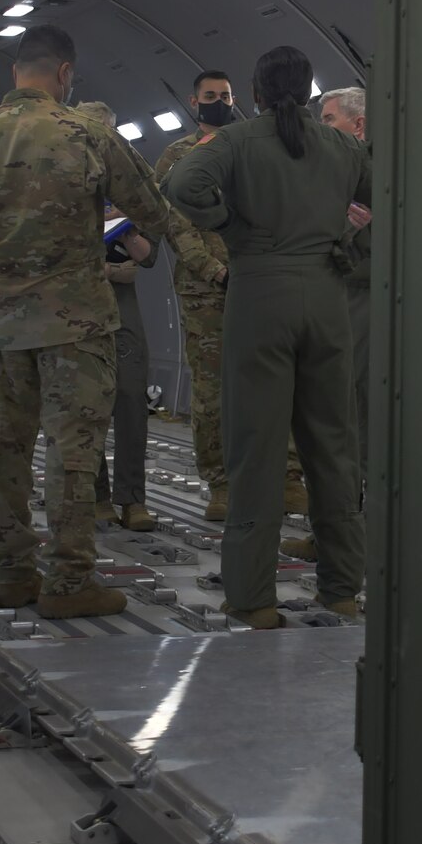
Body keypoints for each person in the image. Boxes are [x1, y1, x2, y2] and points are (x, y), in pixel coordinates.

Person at [0, 25, 173, 618]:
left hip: (2, 324)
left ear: (15, 73)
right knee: (73, 451)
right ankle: (70, 580)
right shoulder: (87, 133)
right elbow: (151, 209)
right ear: (65, 75)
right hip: (76, 323)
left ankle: (13, 574)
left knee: (5, 448)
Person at [166, 45, 370, 629]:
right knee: (333, 447)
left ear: (253, 93)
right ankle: (339, 590)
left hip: (259, 299)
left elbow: (183, 188)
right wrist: (343, 239)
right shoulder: (343, 146)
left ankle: (254, 597)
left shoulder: (234, 142)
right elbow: (384, 193)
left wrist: (232, 227)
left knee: (256, 447)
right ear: (310, 93)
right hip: (328, 302)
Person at [152, 69, 308, 523]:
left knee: (279, 379)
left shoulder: (251, 146)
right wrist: (213, 270)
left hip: (259, 279)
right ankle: (221, 483)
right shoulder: (177, 155)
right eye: (210, 95)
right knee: (212, 390)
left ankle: (288, 477)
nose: (219, 101)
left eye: (225, 95)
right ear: (193, 100)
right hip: (205, 291)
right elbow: (172, 220)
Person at [283, 85, 373, 563]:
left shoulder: (372, 173)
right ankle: (332, 533)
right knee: (332, 424)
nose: (321, 127)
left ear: (358, 126)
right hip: (333, 303)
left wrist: (350, 228)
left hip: (364, 304)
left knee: (358, 424)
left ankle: (357, 540)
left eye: (330, 118)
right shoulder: (335, 172)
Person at [71, 101, 160, 533]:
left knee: (130, 404)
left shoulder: (130, 186)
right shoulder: (60, 183)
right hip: (76, 309)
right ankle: (97, 496)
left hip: (121, 312)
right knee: (82, 409)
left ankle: (132, 499)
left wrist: (124, 227)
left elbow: (147, 257)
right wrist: (107, 268)